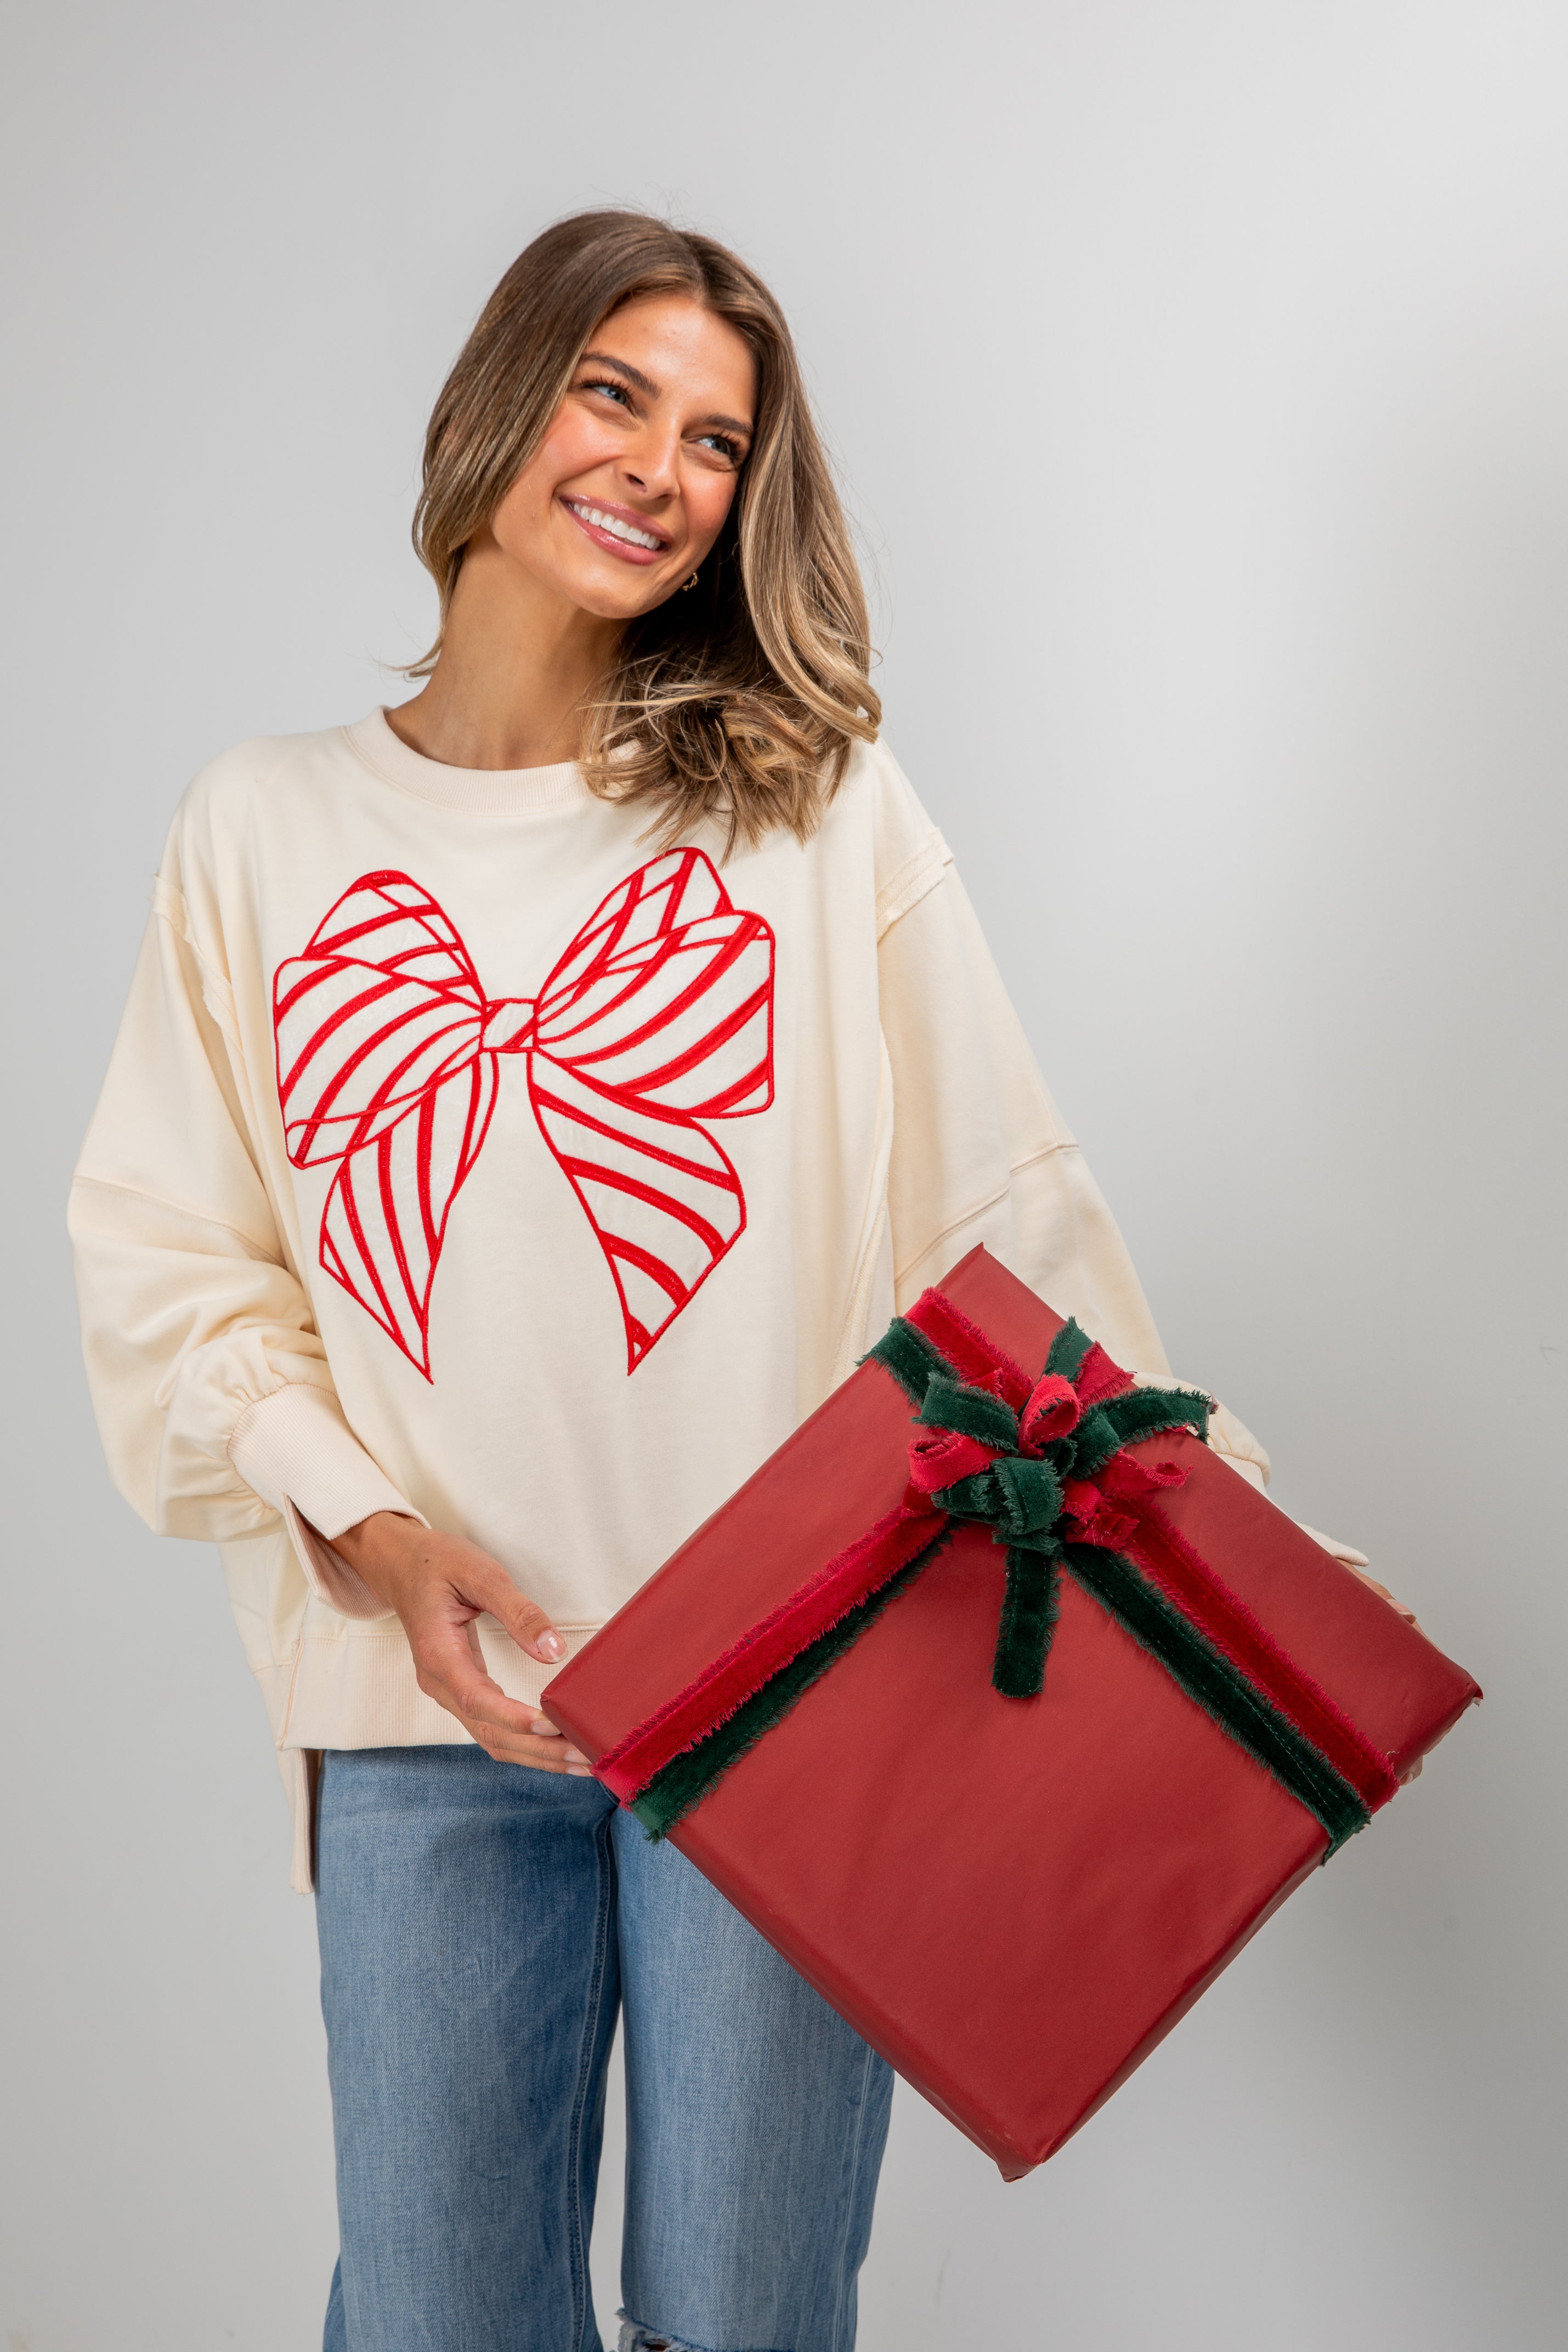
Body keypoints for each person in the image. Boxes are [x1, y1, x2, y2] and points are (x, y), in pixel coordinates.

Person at [68, 209, 1382, 2352]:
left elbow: (1003, 1213)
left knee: (744, 2318)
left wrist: (1239, 1539)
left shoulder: (809, 810)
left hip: (788, 1687)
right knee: (430, 2316)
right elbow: (172, 1256)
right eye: (617, 392)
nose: (661, 466)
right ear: (502, 395)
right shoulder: (263, 826)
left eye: (714, 440)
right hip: (426, 1716)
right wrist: (387, 1540)